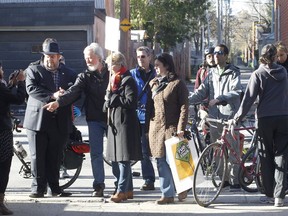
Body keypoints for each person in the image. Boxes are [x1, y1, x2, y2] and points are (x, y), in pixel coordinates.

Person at [43, 42, 109, 197]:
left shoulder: (112, 73)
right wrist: (58, 102)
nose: (88, 61)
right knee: (96, 154)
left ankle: (122, 185)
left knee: (116, 154)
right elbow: (73, 92)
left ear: (99, 58)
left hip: (112, 118)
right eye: (86, 58)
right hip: (94, 119)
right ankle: (98, 185)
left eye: (90, 58)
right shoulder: (85, 76)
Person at [231, 44, 288, 207]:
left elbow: (248, 99)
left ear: (261, 56)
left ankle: (270, 194)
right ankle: (280, 196)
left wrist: (237, 118)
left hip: (265, 119)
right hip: (284, 117)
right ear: (276, 56)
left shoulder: (258, 74)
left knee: (266, 155)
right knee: (282, 155)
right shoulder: (283, 72)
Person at [23, 38, 77, 198]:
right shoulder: (33, 70)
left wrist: (63, 96)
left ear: (59, 56)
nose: (50, 58)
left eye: (53, 56)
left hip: (59, 122)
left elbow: (75, 92)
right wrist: (52, 95)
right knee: (37, 156)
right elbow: (31, 89)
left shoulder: (69, 73)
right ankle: (38, 188)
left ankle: (54, 188)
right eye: (47, 55)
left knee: (55, 156)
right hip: (37, 121)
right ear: (43, 55)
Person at [189, 44, 242, 190]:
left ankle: (235, 180)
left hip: (229, 117)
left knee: (232, 149)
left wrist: (220, 98)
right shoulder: (211, 73)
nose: (216, 56)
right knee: (217, 150)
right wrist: (185, 100)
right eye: (215, 53)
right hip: (214, 117)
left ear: (226, 56)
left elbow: (237, 91)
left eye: (219, 53)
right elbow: (201, 92)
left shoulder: (233, 72)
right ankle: (223, 179)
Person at [148, 53, 189, 204]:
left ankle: (183, 187)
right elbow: (149, 107)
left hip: (172, 127)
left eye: (158, 65)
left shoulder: (177, 83)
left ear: (167, 66)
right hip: (157, 128)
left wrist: (181, 128)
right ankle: (167, 194)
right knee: (160, 160)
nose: (156, 68)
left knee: (175, 160)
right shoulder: (154, 83)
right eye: (156, 65)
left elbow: (184, 107)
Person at [103, 52, 142, 203]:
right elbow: (110, 100)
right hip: (114, 122)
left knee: (123, 158)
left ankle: (121, 190)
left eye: (110, 64)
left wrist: (113, 97)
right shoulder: (113, 80)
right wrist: (107, 101)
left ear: (119, 64)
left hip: (125, 123)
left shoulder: (128, 80)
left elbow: (131, 102)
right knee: (114, 158)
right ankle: (129, 189)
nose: (108, 68)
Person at [130, 46, 156, 191]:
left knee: (159, 151)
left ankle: (170, 179)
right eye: (138, 56)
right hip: (138, 117)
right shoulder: (132, 74)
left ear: (149, 57)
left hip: (154, 117)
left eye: (143, 57)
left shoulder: (156, 73)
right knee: (144, 150)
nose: (140, 59)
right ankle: (149, 179)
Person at [0, 66, 26, 215]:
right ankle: (0, 203)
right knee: (3, 167)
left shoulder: (2, 86)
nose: (3, 70)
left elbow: (5, 96)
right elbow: (17, 99)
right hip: (2, 132)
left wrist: (11, 84)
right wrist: (21, 83)